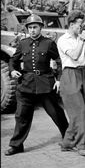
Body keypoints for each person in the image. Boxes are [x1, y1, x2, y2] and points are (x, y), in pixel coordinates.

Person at [4, 14, 69, 156]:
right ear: (27, 29)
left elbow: (59, 61)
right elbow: (13, 61)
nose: (32, 30)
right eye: (30, 27)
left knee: (56, 113)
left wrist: (58, 79)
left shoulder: (49, 43)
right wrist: (13, 70)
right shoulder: (23, 43)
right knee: (21, 116)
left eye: (35, 27)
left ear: (41, 28)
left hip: (45, 84)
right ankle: (16, 145)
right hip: (26, 84)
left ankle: (69, 137)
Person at [57, 11, 85, 156]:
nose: (82, 27)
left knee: (81, 112)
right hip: (69, 74)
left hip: (82, 73)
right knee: (80, 112)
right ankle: (82, 145)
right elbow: (74, 55)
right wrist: (82, 40)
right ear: (71, 24)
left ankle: (68, 142)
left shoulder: (81, 37)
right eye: (80, 24)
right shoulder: (63, 40)